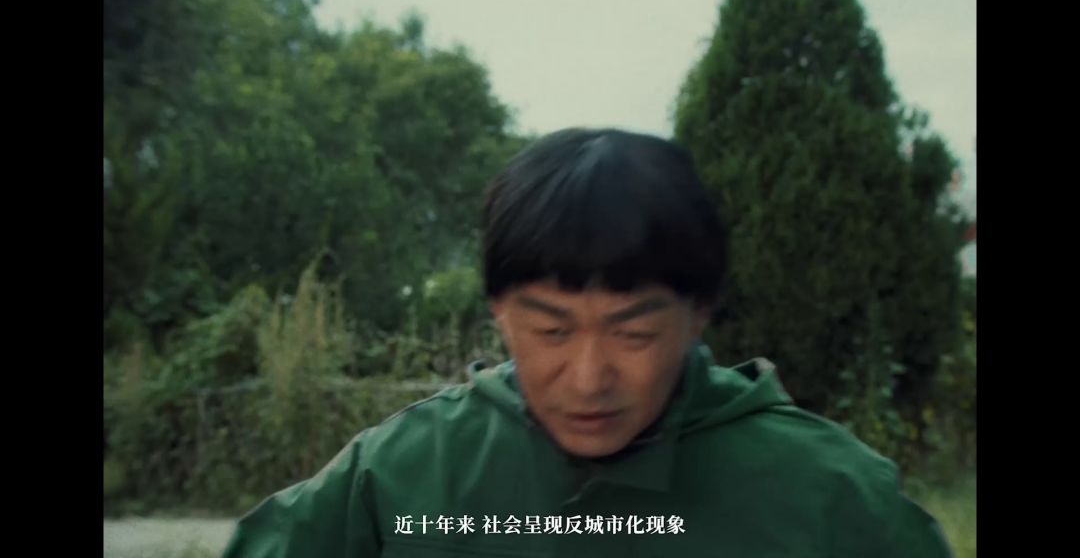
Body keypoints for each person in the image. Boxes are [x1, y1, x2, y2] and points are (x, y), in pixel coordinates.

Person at [222, 128, 952, 557]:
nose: (588, 378)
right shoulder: (405, 479)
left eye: (633, 332)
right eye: (551, 330)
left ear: (699, 313)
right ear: (500, 313)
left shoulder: (830, 496)